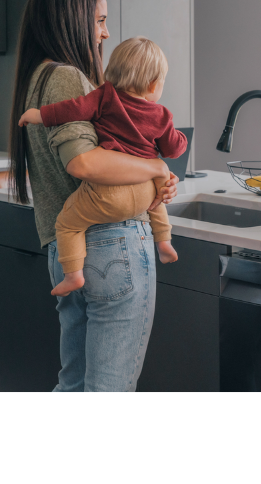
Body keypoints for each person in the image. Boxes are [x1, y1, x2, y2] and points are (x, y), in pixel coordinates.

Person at [8, 0, 179, 392]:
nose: (104, 34)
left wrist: (152, 175)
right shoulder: (66, 77)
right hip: (113, 242)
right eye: (99, 21)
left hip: (70, 249)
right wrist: (157, 169)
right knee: (107, 393)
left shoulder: (36, 80)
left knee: (76, 387)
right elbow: (85, 163)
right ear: (72, 20)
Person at [19, 36, 187, 297]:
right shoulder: (162, 115)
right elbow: (173, 148)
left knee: (66, 222)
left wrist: (40, 115)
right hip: (146, 191)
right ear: (154, 84)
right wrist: (180, 141)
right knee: (159, 202)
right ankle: (164, 244)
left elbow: (72, 109)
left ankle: (73, 275)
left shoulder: (105, 96)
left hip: (108, 193)